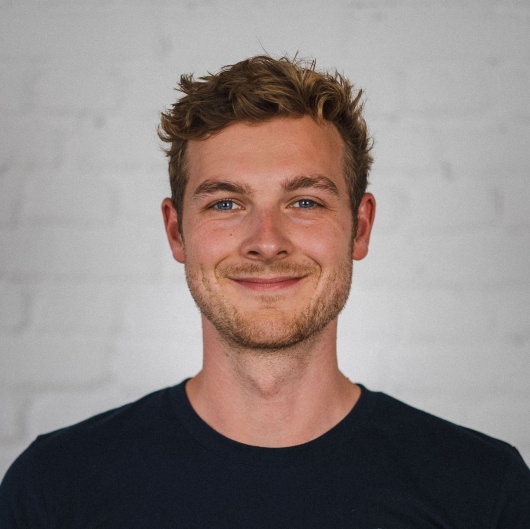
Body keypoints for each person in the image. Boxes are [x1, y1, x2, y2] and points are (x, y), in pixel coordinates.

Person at [1, 55, 529, 528]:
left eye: (305, 202)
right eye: (226, 203)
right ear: (177, 232)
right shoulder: (54, 487)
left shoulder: (484, 489)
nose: (267, 242)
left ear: (360, 227)